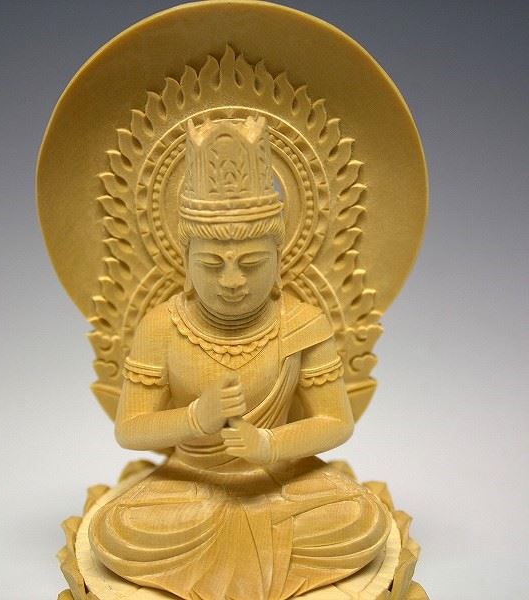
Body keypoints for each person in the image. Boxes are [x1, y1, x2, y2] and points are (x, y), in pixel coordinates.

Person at [88, 117, 390, 600]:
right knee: (119, 530)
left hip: (280, 483)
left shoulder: (303, 324)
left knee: (360, 519)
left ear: (279, 260)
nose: (232, 281)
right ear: (185, 262)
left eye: (251, 263)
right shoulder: (160, 327)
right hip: (192, 483)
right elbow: (130, 430)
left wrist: (269, 445)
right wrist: (195, 418)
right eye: (212, 264)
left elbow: (336, 422)